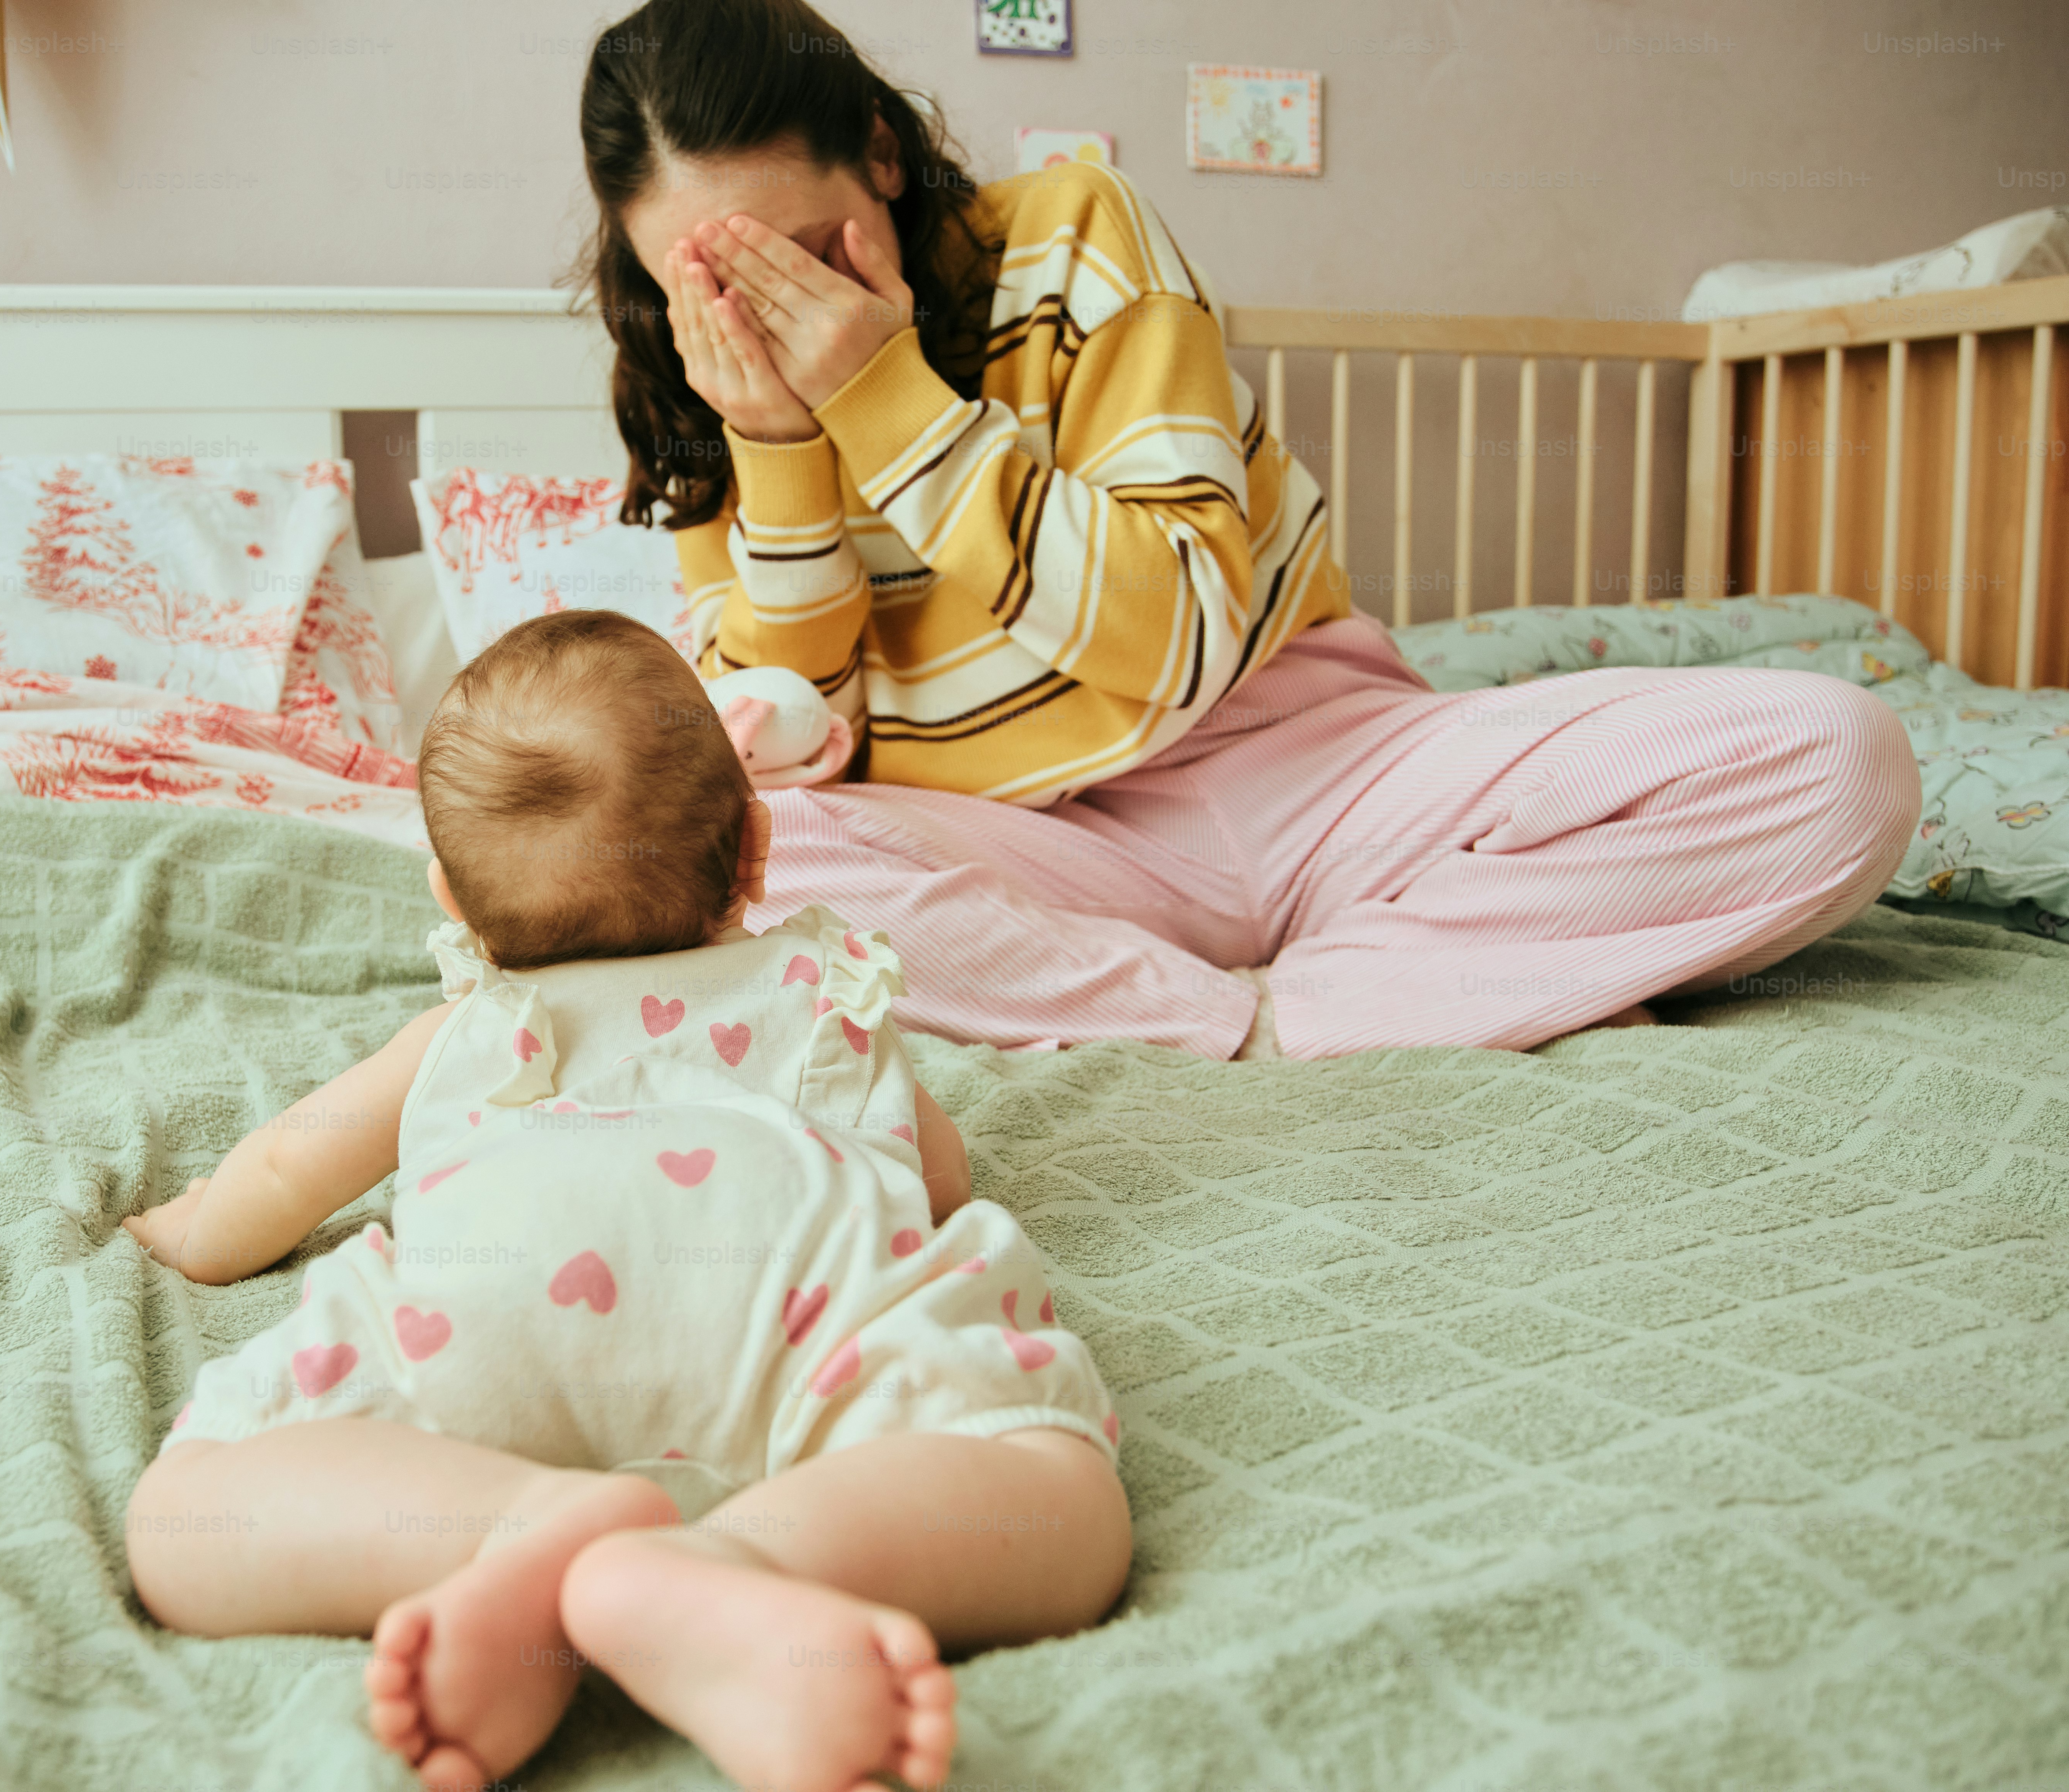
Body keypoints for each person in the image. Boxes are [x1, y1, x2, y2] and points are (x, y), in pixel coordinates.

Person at [578, 0, 1921, 1061]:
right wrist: (780, 448)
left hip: (1320, 766)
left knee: (1835, 758)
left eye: (805, 252)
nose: (773, 313)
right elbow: (817, 749)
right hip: (1044, 857)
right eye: (709, 284)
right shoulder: (705, 396)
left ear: (882, 155)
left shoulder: (1072, 233)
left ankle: (1324, 995)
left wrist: (891, 404)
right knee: (701, 859)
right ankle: (1249, 1014)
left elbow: (1176, 643)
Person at [122, 610, 1131, 1792]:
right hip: (797, 1320)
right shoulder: (822, 990)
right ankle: (738, 1561)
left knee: (183, 1520)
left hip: (490, 1338)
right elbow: (936, 1177)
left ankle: (527, 1525)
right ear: (755, 847)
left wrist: (193, 1227)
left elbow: (289, 1170)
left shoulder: (468, 1031)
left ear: (453, 899)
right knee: (1061, 1496)